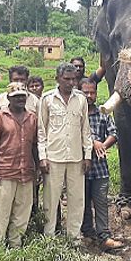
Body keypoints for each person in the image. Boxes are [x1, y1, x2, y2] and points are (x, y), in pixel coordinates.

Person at [38, 63, 93, 243]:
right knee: (51, 199)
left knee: (77, 199)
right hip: (53, 157)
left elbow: (86, 130)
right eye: (67, 79)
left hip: (76, 157)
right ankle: (49, 236)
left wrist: (87, 155)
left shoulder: (81, 100)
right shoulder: (47, 99)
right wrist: (42, 157)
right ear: (57, 79)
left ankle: (74, 236)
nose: (71, 83)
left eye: (74, 79)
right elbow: (41, 131)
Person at [0, 82, 39, 248]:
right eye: (16, 97)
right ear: (9, 98)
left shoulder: (32, 118)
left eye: (23, 96)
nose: (20, 99)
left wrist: (37, 169)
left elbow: (35, 146)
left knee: (22, 211)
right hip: (5, 171)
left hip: (26, 172)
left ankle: (16, 243)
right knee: (2, 212)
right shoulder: (0, 117)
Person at [79, 78, 124, 251]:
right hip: (81, 168)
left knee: (101, 203)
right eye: (86, 93)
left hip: (100, 168)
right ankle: (87, 233)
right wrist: (93, 143)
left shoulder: (103, 113)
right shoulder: (76, 113)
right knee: (82, 203)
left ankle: (104, 236)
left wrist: (103, 145)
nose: (89, 96)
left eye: (92, 92)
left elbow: (114, 133)